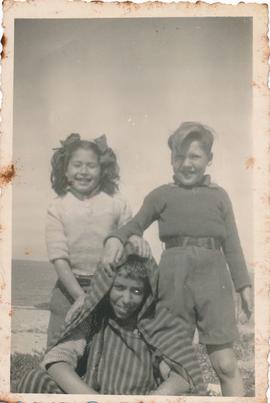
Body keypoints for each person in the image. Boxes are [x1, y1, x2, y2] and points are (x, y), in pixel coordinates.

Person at [102, 122, 253, 396]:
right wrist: (115, 238)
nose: (186, 164)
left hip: (214, 284)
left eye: (194, 156)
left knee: (226, 364)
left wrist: (243, 286)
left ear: (209, 159)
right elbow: (134, 225)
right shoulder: (161, 195)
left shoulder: (220, 197)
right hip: (173, 283)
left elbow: (232, 244)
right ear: (171, 159)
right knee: (170, 363)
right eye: (179, 156)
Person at [17, 254, 206, 395]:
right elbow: (57, 361)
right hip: (93, 397)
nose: (126, 299)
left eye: (137, 291)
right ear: (107, 288)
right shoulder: (96, 318)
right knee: (35, 380)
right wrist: (91, 398)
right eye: (119, 288)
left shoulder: (153, 324)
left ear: (147, 294)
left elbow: (182, 376)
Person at [46, 132, 139, 346]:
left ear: (102, 169)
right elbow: (59, 257)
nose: (84, 171)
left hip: (108, 285)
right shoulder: (57, 207)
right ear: (65, 169)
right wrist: (80, 297)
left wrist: (135, 240)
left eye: (91, 166)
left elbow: (130, 236)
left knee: (103, 344)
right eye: (77, 165)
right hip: (69, 287)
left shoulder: (117, 202)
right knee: (59, 343)